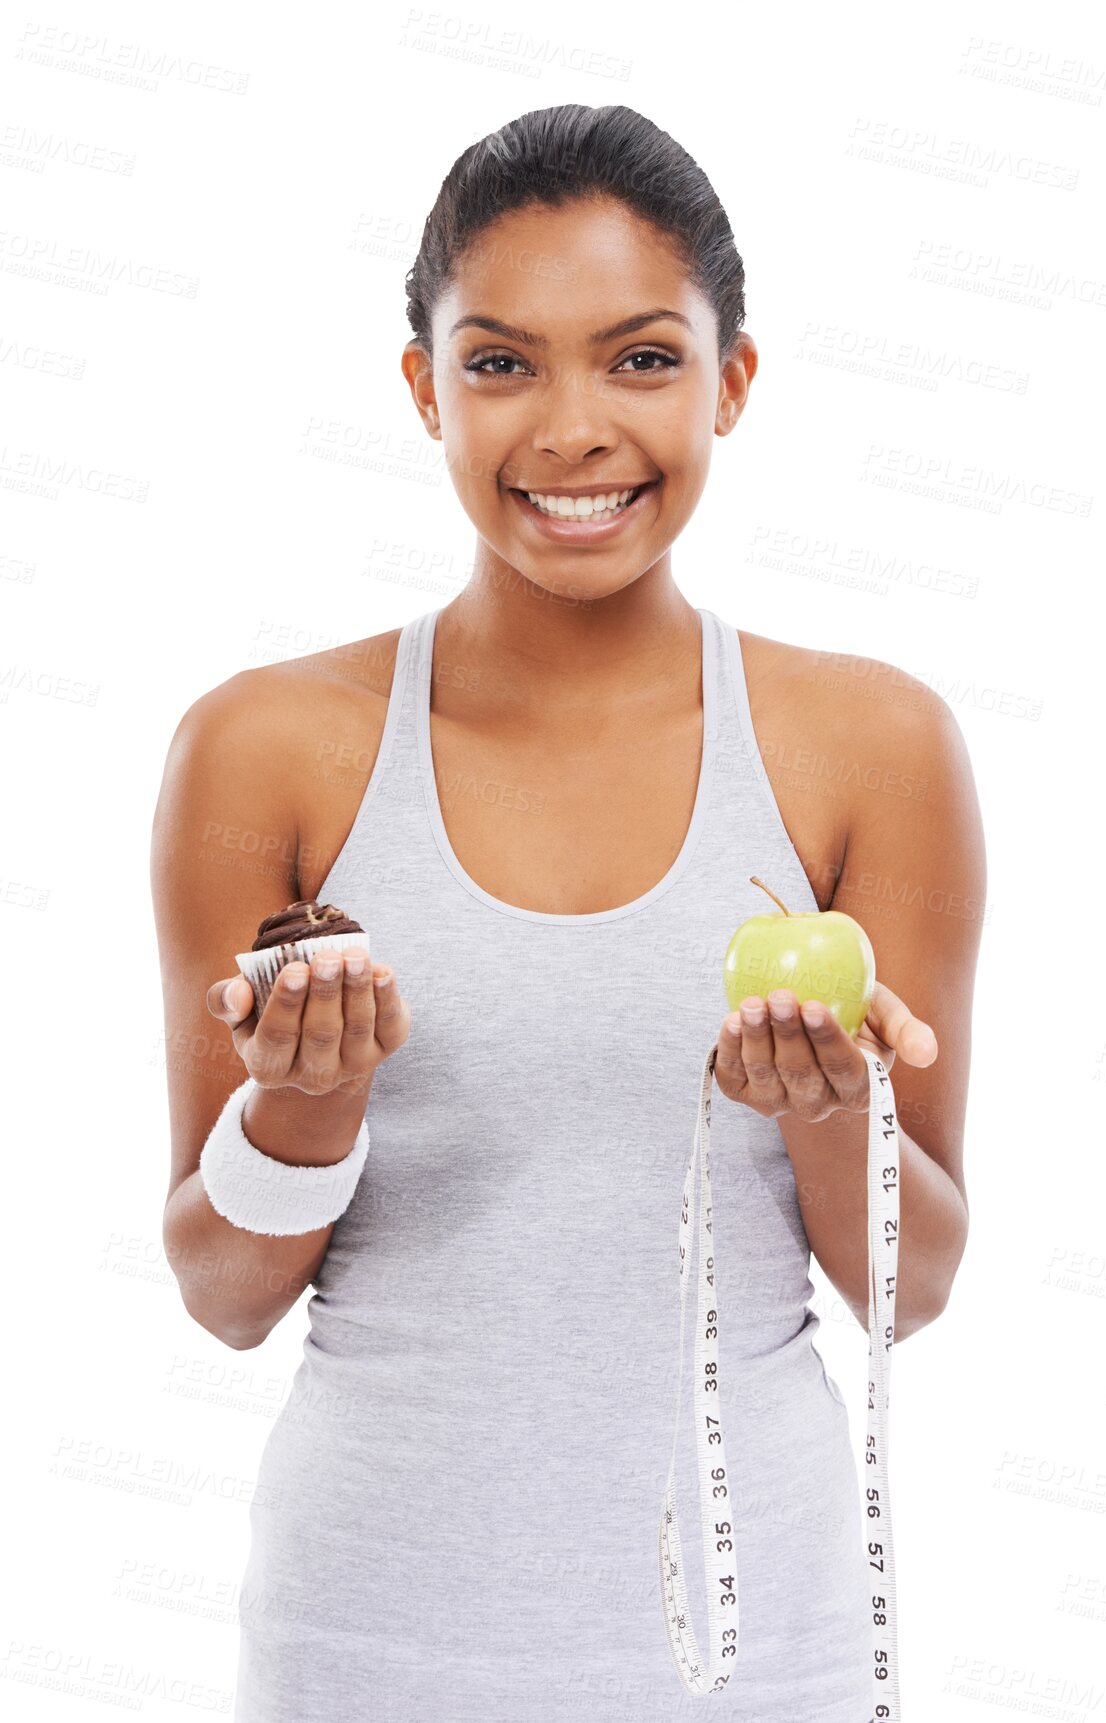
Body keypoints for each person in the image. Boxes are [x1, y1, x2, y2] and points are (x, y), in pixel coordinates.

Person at [152, 103, 981, 1722]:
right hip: (369, 1647)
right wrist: (308, 1108)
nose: (574, 429)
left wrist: (831, 1117)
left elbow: (911, 1286)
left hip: (758, 1655)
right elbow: (220, 1292)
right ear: (425, 387)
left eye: (644, 359)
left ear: (734, 380)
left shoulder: (872, 746)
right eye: (504, 363)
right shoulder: (266, 749)